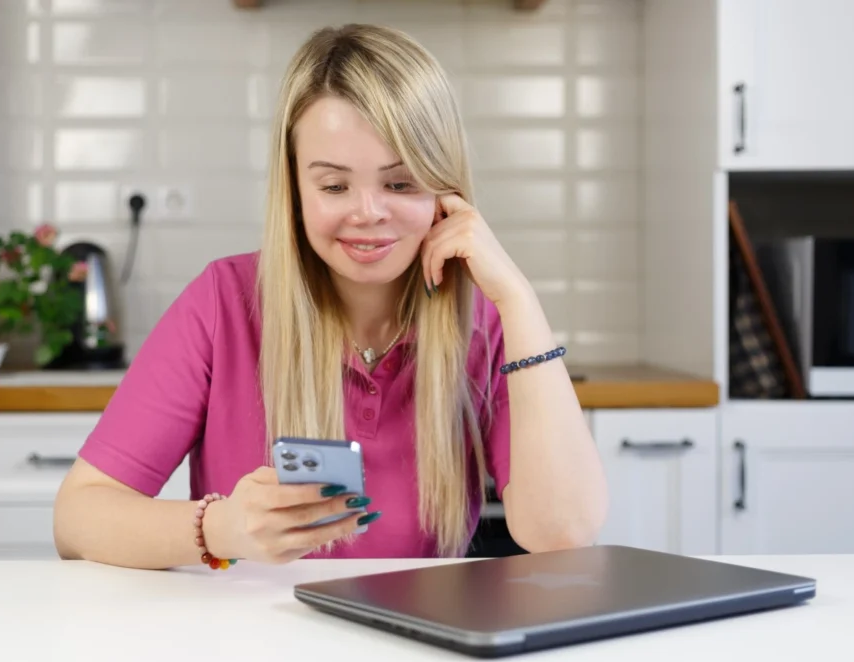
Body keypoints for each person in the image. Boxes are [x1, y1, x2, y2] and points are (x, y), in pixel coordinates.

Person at [53, 23, 608, 570]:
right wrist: (223, 528)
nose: (367, 212)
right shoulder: (222, 304)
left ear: (445, 189)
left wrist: (519, 300)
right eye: (334, 185)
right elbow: (77, 518)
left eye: (400, 182)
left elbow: (563, 533)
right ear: (294, 189)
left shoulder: (483, 322)